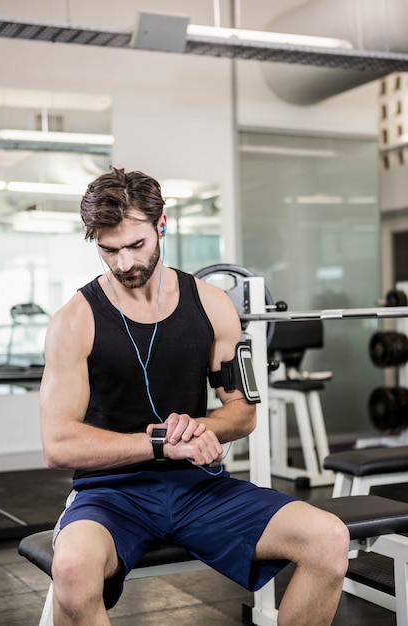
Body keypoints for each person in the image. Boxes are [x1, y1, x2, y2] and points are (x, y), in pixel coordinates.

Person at [40, 166, 349, 626]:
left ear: (162, 224)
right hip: (111, 494)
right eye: (109, 250)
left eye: (136, 245)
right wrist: (161, 442)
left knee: (328, 538)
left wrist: (201, 427)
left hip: (199, 488)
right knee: (72, 569)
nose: (124, 263)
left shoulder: (211, 304)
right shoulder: (75, 320)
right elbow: (58, 444)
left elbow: (243, 412)